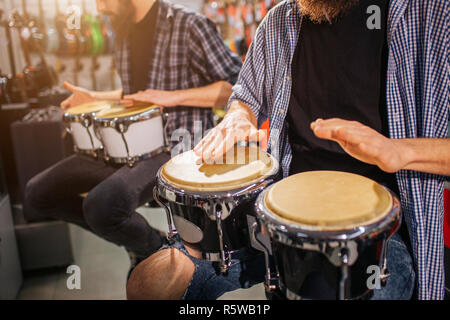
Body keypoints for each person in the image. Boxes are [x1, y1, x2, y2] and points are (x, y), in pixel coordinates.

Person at [127, 0, 449, 300]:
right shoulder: (280, 20)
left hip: (378, 230)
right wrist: (239, 117)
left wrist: (399, 151)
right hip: (278, 208)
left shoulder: (431, 16)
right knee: (150, 284)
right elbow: (245, 96)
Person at [24, 0, 241, 270]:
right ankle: (150, 248)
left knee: (102, 205)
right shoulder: (123, 29)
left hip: (175, 145)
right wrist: (94, 97)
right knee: (37, 193)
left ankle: (166, 256)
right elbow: (135, 96)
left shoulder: (190, 25)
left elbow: (236, 87)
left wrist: (170, 97)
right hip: (125, 147)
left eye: (103, 1)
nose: (100, 8)